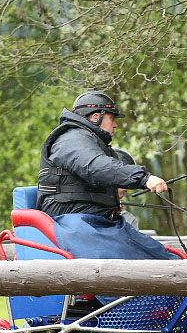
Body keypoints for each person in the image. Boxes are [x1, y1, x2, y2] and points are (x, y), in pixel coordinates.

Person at [36, 89, 175, 260]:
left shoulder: (87, 140)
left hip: (96, 223)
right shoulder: (70, 139)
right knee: (149, 265)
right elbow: (96, 167)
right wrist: (144, 178)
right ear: (96, 117)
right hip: (70, 223)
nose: (115, 125)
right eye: (112, 118)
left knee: (165, 258)